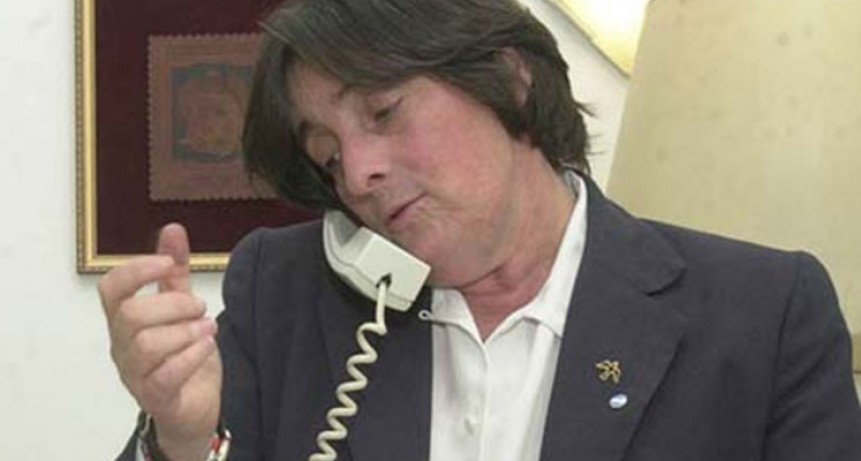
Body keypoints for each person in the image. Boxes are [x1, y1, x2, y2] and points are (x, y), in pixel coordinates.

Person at [100, 0, 861, 460]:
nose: (357, 174)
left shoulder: (764, 314)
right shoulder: (285, 295)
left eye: (384, 112)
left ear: (508, 78)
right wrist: (185, 441)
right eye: (327, 156)